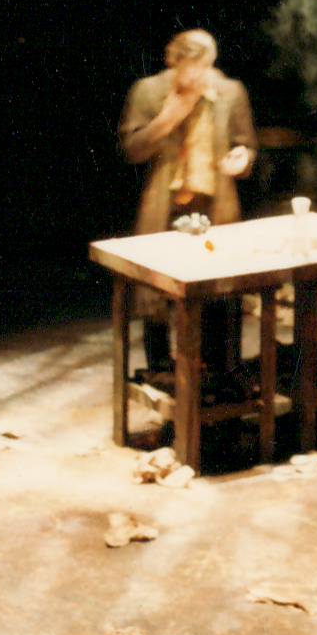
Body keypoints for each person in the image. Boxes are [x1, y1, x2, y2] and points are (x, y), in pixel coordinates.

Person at [119, 29, 257, 379]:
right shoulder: (149, 91)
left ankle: (220, 378)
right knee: (156, 296)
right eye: (188, 67)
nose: (196, 75)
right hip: (165, 205)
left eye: (204, 66)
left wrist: (242, 157)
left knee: (220, 294)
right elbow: (133, 150)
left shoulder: (229, 91)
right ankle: (162, 374)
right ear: (173, 61)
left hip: (215, 206)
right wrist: (169, 117)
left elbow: (246, 143)